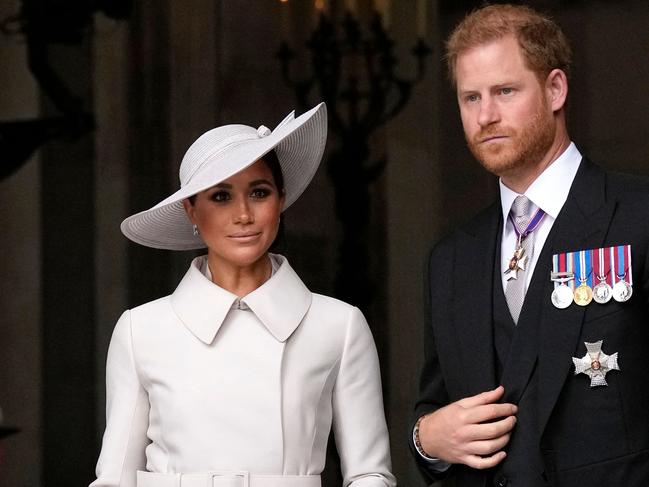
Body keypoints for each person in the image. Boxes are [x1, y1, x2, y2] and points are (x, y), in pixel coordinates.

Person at [90, 103, 396, 487]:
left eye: (259, 192)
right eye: (221, 196)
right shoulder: (140, 330)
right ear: (191, 211)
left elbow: (370, 474)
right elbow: (115, 479)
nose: (243, 215)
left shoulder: (338, 325)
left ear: (281, 200)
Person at [410, 4, 649, 487]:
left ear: (555, 89)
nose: (486, 116)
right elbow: (435, 411)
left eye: (505, 91)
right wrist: (426, 440)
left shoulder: (639, 214)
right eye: (470, 98)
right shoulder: (451, 260)